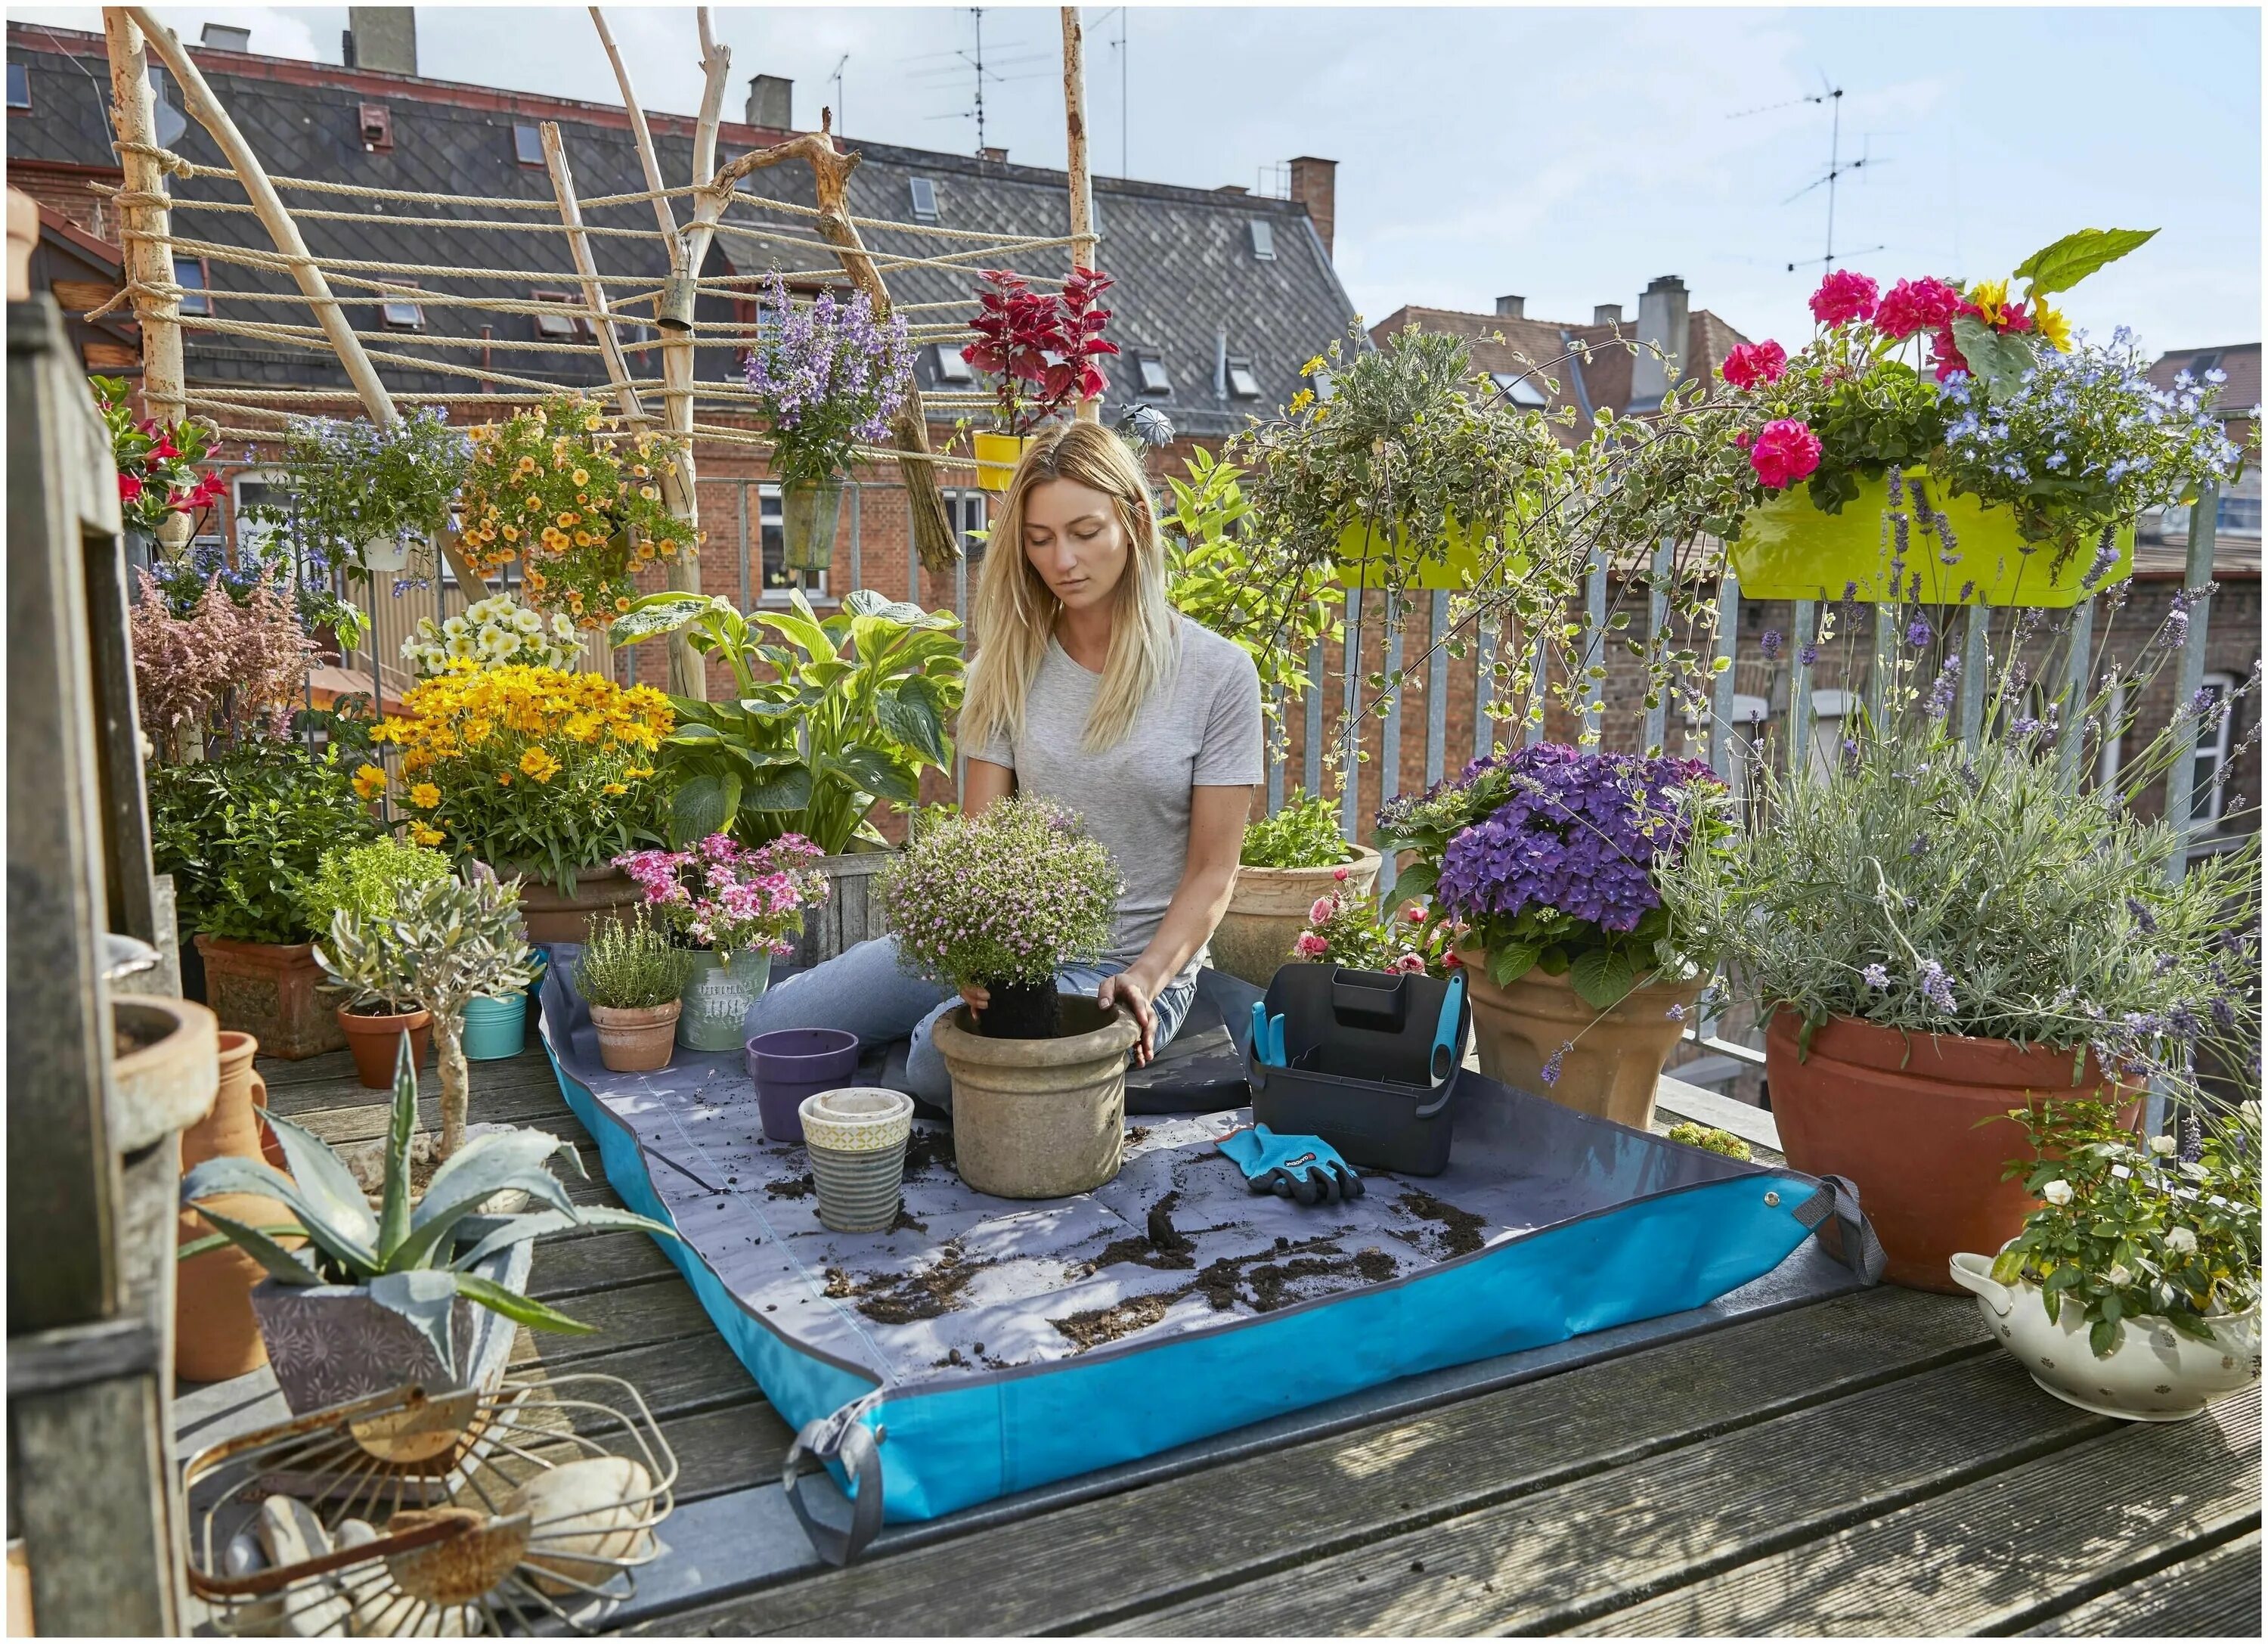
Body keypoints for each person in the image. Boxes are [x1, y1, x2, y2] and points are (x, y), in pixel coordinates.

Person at [743, 421, 1262, 1106]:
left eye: (1084, 532)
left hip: (1122, 968)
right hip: (1007, 943)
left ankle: (949, 1043)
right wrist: (970, 959)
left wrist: (1148, 976)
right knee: (772, 1027)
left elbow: (1213, 872)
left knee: (936, 1064)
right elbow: (982, 844)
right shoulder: (1005, 667)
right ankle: (954, 1032)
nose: (1063, 561)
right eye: (1040, 539)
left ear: (1134, 521)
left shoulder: (1218, 674)